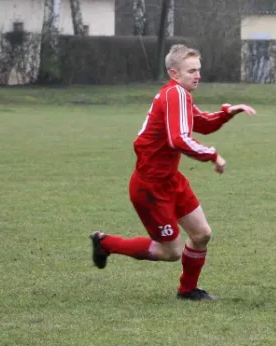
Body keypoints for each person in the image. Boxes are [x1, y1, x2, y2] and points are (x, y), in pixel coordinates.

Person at [90, 44, 256, 301]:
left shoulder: (179, 95)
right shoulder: (174, 94)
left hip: (171, 180)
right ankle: (105, 243)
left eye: (198, 70)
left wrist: (227, 113)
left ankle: (188, 290)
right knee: (170, 252)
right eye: (191, 71)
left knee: (202, 234)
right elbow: (178, 139)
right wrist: (212, 155)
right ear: (174, 73)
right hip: (151, 188)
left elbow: (201, 123)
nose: (198, 75)